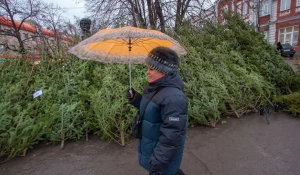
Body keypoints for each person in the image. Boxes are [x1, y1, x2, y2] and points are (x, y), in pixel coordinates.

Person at [126, 46, 188, 175]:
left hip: (161, 157)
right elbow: (153, 112)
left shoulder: (173, 97)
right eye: (147, 68)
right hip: (154, 150)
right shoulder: (155, 88)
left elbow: (172, 134)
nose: (147, 72)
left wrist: (158, 160)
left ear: (163, 70)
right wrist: (136, 99)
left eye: (151, 68)